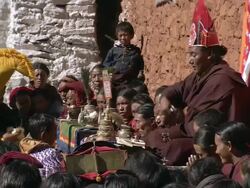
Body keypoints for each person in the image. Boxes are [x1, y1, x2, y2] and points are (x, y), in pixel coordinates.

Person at [161, 0, 246, 136]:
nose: (190, 61)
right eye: (189, 55)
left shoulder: (222, 80)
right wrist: (165, 100)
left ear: (210, 54)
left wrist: (172, 132)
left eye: (194, 55)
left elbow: (201, 123)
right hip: (193, 132)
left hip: (217, 141)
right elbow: (179, 89)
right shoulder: (200, 74)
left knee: (168, 147)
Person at [145, 94, 194, 166]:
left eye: (160, 114)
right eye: (156, 115)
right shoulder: (161, 130)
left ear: (172, 108)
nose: (157, 120)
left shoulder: (189, 119)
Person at [103, 21, 144, 95]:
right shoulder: (113, 51)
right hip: (115, 82)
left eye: (125, 35)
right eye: (120, 35)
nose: (123, 38)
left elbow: (139, 64)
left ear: (131, 35)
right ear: (117, 36)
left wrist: (140, 72)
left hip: (130, 83)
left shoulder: (136, 51)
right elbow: (106, 67)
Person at [19, 113, 64, 178]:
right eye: (55, 130)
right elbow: (57, 181)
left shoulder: (25, 148)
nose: (57, 134)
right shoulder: (51, 154)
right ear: (44, 135)